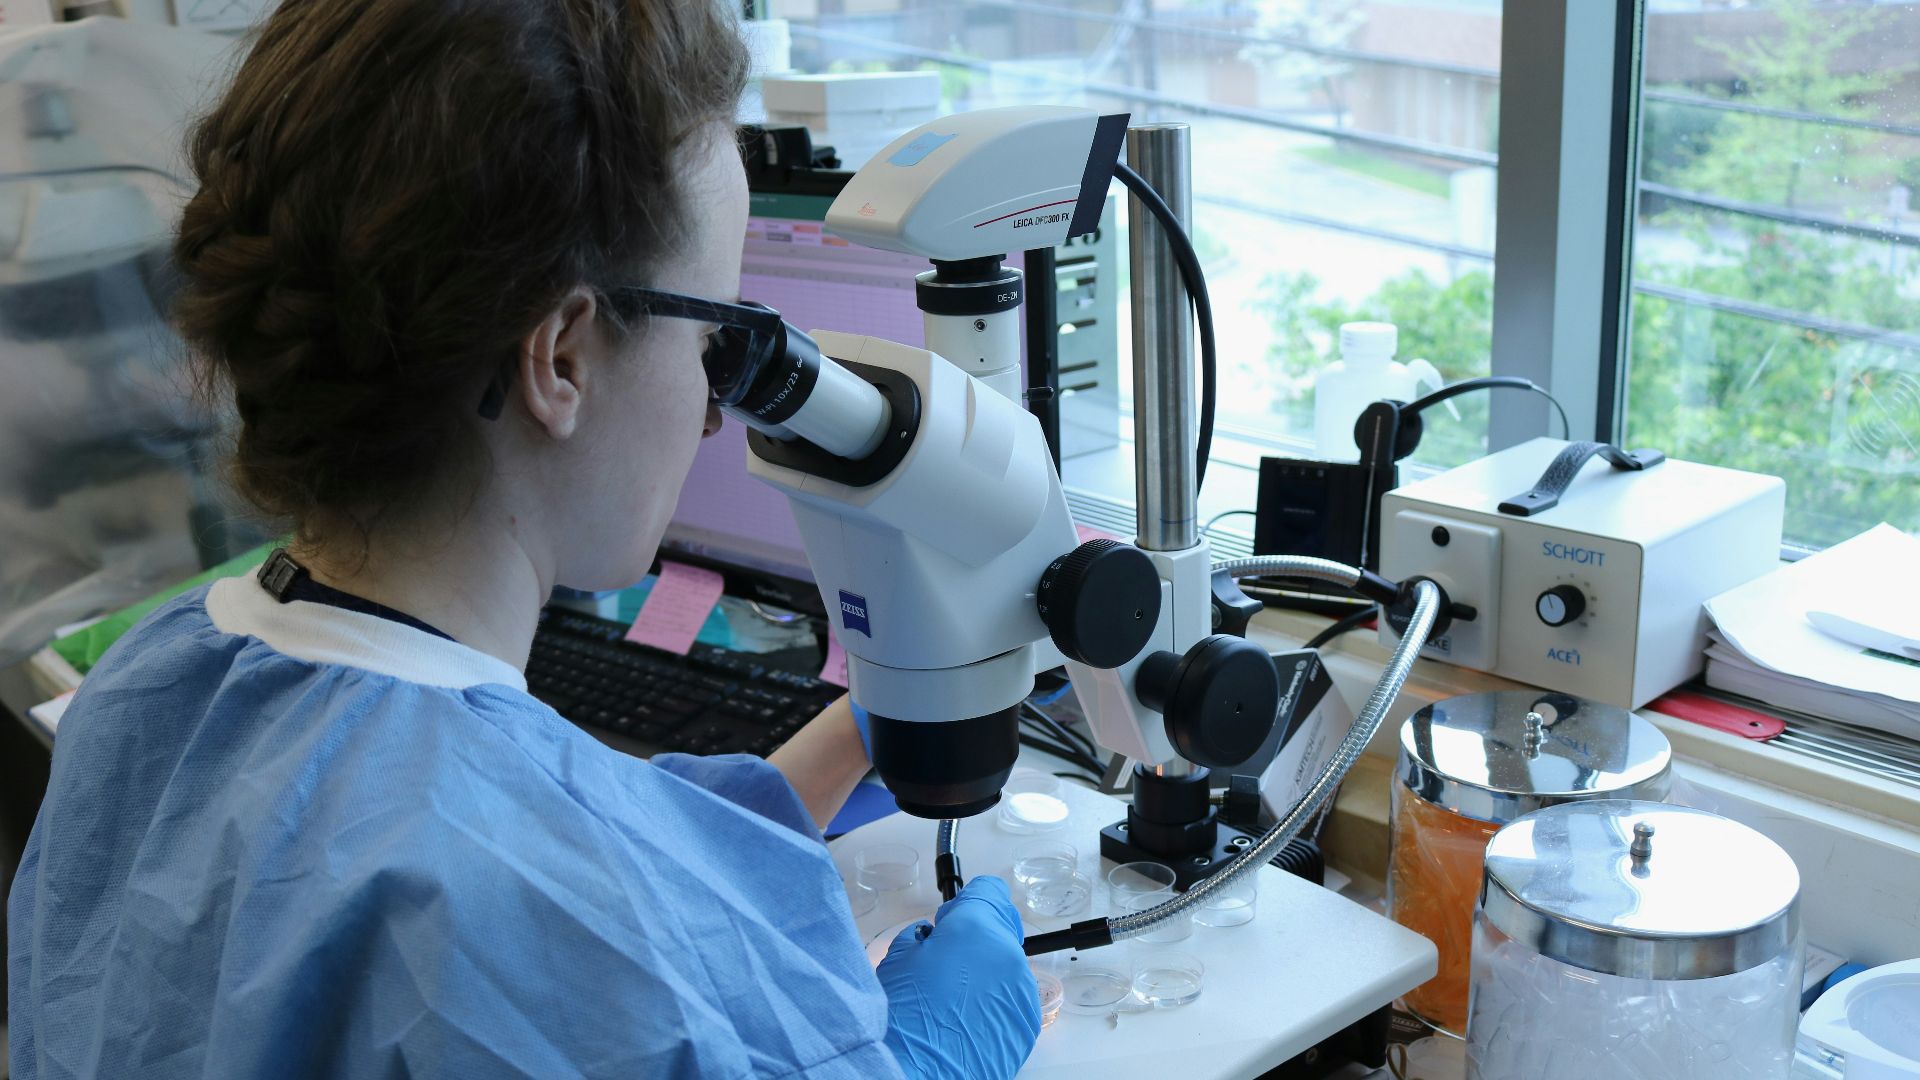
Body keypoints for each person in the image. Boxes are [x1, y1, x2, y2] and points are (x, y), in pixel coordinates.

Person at [5, 1, 1041, 1076]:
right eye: (718, 339)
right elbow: (539, 909)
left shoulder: (154, 685)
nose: (712, 411)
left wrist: (823, 757)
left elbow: (479, 841)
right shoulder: (519, 904)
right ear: (562, 360)